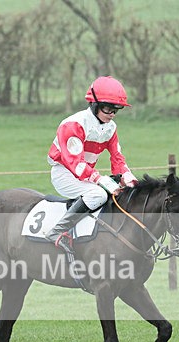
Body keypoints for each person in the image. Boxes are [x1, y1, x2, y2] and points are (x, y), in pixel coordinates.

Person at [45, 76, 139, 254]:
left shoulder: (111, 127)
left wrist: (131, 182)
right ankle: (57, 231)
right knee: (98, 194)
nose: (112, 114)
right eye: (108, 108)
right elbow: (74, 163)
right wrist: (99, 179)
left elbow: (118, 159)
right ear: (94, 104)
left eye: (116, 109)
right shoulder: (73, 124)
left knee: (121, 193)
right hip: (64, 173)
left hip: (84, 174)